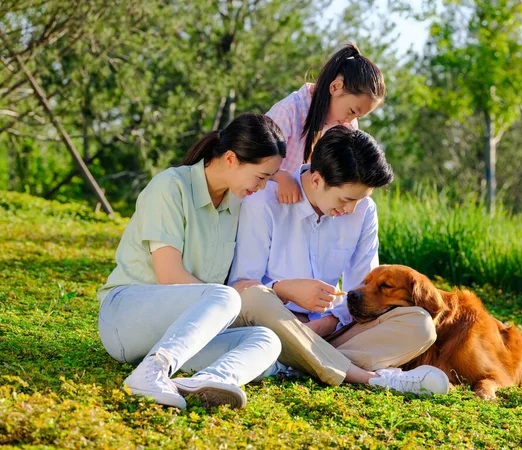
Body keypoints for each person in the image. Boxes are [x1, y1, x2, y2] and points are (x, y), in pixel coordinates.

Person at [228, 126, 450, 395]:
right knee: (255, 297)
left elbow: (363, 291)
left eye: (360, 199)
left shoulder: (363, 211)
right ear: (317, 180)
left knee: (420, 325)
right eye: (346, 199)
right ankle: (362, 376)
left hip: (334, 332)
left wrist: (327, 322)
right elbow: (242, 286)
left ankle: (295, 364)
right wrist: (285, 289)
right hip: (276, 323)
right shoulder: (264, 201)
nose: (351, 210)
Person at [97, 114, 287, 410]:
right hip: (124, 318)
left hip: (179, 333)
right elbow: (169, 275)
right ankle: (153, 372)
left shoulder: (236, 205)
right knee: (224, 296)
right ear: (231, 159)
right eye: (261, 177)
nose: (261, 188)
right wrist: (230, 301)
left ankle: (208, 379)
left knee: (266, 340)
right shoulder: (170, 187)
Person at [267, 42, 385, 204]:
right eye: (352, 111)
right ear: (335, 87)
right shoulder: (289, 111)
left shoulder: (347, 126)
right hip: (269, 198)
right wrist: (281, 176)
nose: (350, 122)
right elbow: (254, 159)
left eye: (358, 116)